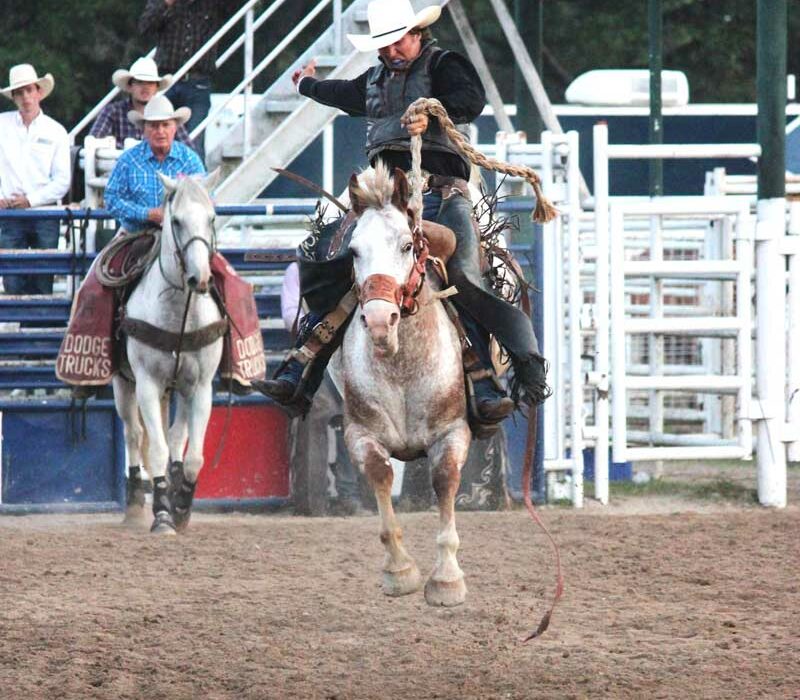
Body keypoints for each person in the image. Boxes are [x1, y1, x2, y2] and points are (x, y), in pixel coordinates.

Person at [253, 0, 549, 434]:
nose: (391, 50)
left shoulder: (446, 65)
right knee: (334, 264)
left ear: (416, 35)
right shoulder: (373, 80)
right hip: (386, 201)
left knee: (463, 275)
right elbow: (343, 95)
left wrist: (430, 110)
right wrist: (308, 86)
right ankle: (300, 372)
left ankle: (510, 373)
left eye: (397, 40)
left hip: (442, 197)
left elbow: (471, 101)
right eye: (384, 44)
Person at [280, 262, 370, 516]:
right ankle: (312, 501)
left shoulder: (356, 269)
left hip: (352, 358)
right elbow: (290, 316)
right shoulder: (298, 271)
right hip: (311, 357)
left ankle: (353, 496)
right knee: (315, 411)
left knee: (359, 411)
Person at [0, 64, 70, 295]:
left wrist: (30, 200)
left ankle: (38, 328)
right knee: (13, 280)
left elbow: (62, 180)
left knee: (43, 279)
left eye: (29, 90)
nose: (25, 97)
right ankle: (15, 330)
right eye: (19, 92)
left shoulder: (56, 131)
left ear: (38, 91)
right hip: (10, 211)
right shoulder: (2, 125)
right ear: (14, 97)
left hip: (43, 212)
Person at [138, 0, 241, 157]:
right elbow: (145, 27)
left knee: (194, 142)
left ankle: (195, 179)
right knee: (157, 139)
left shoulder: (212, 4)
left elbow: (234, 6)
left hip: (198, 81)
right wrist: (167, 4)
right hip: (166, 81)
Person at [104, 94, 204, 229]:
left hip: (182, 236)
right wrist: (146, 214)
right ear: (144, 129)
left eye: (165, 125)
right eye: (154, 126)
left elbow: (205, 198)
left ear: (174, 128)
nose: (160, 131)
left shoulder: (189, 159)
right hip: (136, 234)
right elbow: (112, 200)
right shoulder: (128, 160)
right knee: (111, 251)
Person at [89, 56, 195, 151]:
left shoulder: (167, 114)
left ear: (156, 88)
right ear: (130, 86)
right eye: (140, 82)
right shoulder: (112, 111)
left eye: (150, 83)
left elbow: (189, 150)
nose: (145, 87)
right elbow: (93, 142)